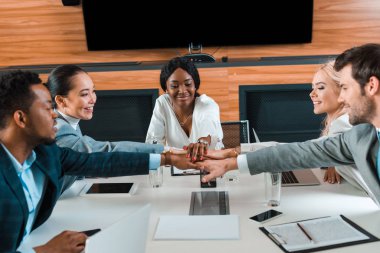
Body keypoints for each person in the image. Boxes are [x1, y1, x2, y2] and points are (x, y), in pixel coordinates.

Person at [0, 70, 194, 253]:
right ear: (21, 118)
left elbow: (99, 161)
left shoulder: (45, 153)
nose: (54, 115)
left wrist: (167, 159)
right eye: (47, 108)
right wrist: (44, 251)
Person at [197, 43, 380, 206]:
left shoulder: (349, 129)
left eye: (345, 88)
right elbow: (299, 152)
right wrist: (231, 162)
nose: (341, 97)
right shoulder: (359, 137)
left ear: (371, 86)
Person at [46, 64, 164, 194]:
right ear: (61, 100)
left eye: (93, 91)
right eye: (85, 94)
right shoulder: (58, 128)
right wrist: (165, 153)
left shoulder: (70, 121)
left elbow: (74, 166)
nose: (93, 99)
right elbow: (106, 150)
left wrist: (91, 171)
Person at [145, 57, 224, 161]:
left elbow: (210, 133)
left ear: (195, 85)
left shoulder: (207, 104)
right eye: (174, 86)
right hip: (174, 171)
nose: (182, 90)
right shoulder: (162, 103)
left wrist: (204, 141)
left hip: (209, 167)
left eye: (188, 84)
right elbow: (152, 145)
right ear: (166, 89)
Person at [309, 61, 350, 184]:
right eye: (312, 88)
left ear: (342, 90)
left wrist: (336, 164)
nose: (312, 94)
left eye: (320, 87)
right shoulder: (335, 123)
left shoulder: (344, 124)